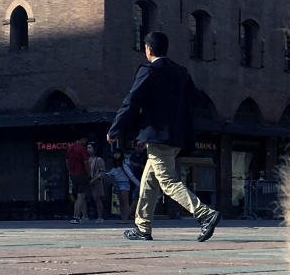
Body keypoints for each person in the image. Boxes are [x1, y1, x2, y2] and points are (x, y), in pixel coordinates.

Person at [107, 31, 219, 243]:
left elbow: (131, 103)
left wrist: (114, 130)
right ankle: (142, 227)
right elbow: (196, 100)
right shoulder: (181, 72)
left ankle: (205, 214)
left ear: (148, 49)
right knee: (149, 180)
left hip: (158, 137)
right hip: (177, 137)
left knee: (167, 182)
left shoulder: (149, 72)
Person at [64, 137, 90, 223]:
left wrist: (70, 170)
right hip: (81, 173)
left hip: (73, 174)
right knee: (81, 196)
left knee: (79, 196)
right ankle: (76, 216)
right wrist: (88, 173)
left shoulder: (70, 148)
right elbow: (86, 162)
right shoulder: (82, 149)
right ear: (82, 139)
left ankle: (85, 216)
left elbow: (67, 161)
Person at [108, 150, 134, 223]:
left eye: (118, 153)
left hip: (124, 182)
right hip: (117, 183)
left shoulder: (124, 162)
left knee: (125, 201)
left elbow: (129, 174)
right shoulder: (115, 164)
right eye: (115, 154)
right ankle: (123, 218)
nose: (116, 155)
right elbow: (113, 171)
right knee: (121, 201)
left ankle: (126, 218)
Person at [88, 143, 107, 220]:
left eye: (90, 148)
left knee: (97, 199)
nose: (88, 149)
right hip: (88, 181)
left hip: (96, 181)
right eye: (87, 148)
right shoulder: (86, 159)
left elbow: (103, 172)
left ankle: (100, 216)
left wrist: (95, 179)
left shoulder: (98, 159)